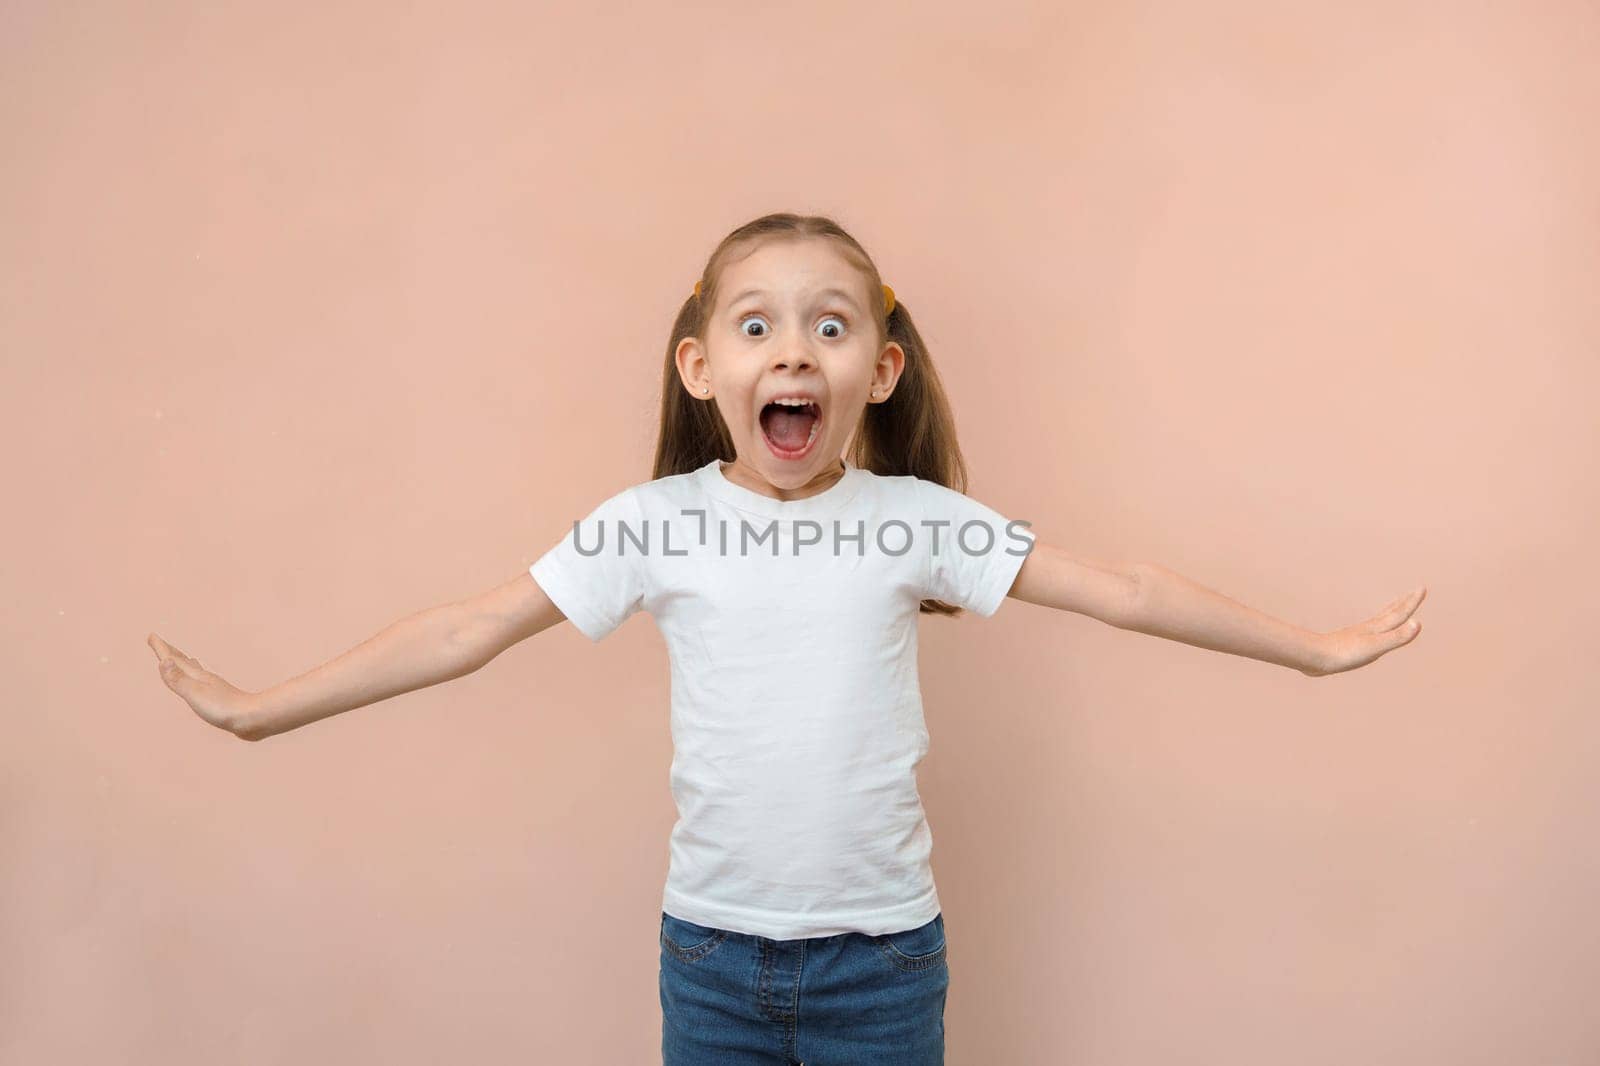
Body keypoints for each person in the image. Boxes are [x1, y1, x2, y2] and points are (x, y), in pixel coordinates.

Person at [148, 211, 1426, 1064]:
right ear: (702, 367)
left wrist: (1313, 647)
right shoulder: (651, 524)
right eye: (757, 324)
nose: (794, 348)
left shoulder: (915, 521)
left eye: (831, 321)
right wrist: (265, 706)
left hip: (884, 963)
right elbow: (466, 629)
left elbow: (1130, 588)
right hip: (709, 956)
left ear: (881, 368)